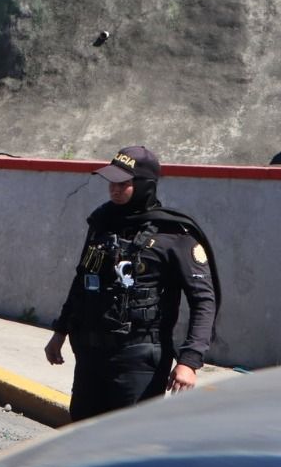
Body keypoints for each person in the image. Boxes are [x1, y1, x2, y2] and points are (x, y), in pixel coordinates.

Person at [43, 146, 219, 422]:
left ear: (144, 185)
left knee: (127, 444)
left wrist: (189, 361)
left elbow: (203, 300)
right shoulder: (102, 222)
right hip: (91, 354)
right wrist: (61, 330)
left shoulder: (174, 234)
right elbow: (82, 279)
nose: (113, 189)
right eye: (111, 183)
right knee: (82, 437)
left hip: (139, 358)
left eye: (123, 184)